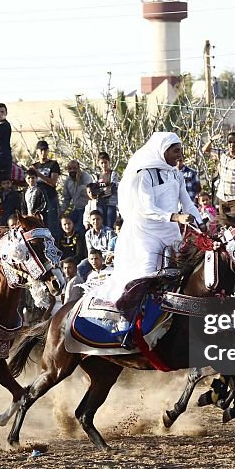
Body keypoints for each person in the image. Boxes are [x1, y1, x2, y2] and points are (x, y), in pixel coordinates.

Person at [96, 133, 201, 341]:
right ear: (162, 151)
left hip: (171, 233)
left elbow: (188, 204)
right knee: (147, 270)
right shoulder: (145, 174)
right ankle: (125, 322)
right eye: (175, 150)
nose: (179, 154)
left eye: (180, 149)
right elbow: (146, 208)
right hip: (145, 233)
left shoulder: (175, 174)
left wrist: (203, 225)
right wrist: (175, 216)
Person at [204, 132, 235, 214]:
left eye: (234, 142)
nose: (232, 144)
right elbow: (205, 150)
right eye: (230, 142)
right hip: (222, 198)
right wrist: (211, 140)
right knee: (223, 224)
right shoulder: (223, 154)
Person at [31, 140, 63, 240]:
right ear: (37, 152)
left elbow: (53, 182)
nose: (43, 152)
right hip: (37, 199)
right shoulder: (34, 166)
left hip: (50, 197)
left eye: (45, 150)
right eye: (41, 150)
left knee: (52, 225)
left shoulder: (53, 164)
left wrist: (39, 174)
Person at [59, 160, 94, 234]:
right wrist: (61, 212)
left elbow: (90, 194)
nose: (72, 171)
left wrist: (79, 182)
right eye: (70, 169)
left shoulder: (86, 177)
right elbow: (66, 199)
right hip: (77, 209)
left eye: (74, 168)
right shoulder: (68, 181)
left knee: (79, 229)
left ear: (79, 168)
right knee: (65, 224)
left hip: (87, 208)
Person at [93, 151, 120, 228]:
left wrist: (101, 189)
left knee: (110, 225)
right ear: (98, 163)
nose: (104, 165)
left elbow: (113, 187)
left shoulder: (113, 174)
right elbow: (94, 189)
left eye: (105, 162)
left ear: (109, 162)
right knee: (100, 225)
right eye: (102, 163)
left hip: (111, 203)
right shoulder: (97, 176)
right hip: (100, 204)